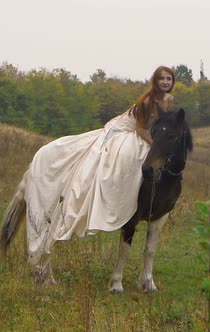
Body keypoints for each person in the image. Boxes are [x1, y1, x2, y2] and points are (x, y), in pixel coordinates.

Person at [21, 66, 175, 273]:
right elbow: (139, 128)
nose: (165, 82)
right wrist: (155, 144)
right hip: (126, 130)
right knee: (123, 157)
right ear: (155, 81)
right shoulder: (147, 101)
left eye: (169, 79)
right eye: (162, 79)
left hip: (147, 133)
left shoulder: (169, 99)